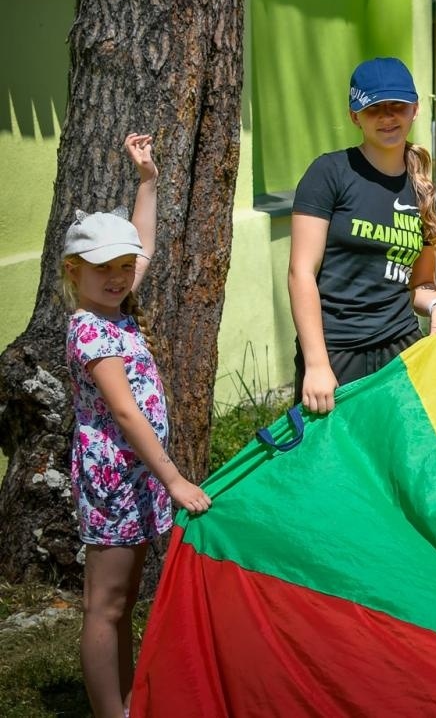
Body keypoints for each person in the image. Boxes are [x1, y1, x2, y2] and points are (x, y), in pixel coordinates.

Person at [64, 134, 210, 718]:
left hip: (139, 474)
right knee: (106, 603)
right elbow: (124, 411)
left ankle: (125, 703)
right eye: (106, 269)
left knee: (124, 602)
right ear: (74, 271)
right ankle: (109, 712)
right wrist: (174, 480)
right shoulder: (91, 329)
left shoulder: (115, 307)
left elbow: (142, 245)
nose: (122, 276)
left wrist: (147, 180)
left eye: (125, 268)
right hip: (116, 480)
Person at [289, 58, 436, 414]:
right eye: (374, 109)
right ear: (355, 116)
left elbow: (422, 283)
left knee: (394, 463)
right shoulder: (330, 173)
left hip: (400, 349)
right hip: (336, 352)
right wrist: (317, 364)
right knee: (332, 466)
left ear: (414, 109)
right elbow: (300, 273)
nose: (387, 117)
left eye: (397, 107)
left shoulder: (427, 193)